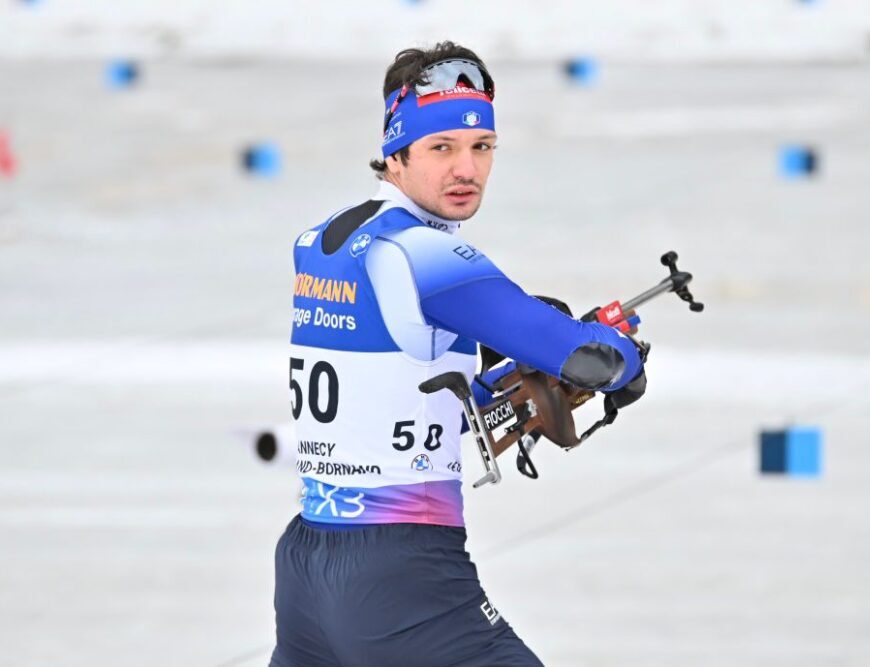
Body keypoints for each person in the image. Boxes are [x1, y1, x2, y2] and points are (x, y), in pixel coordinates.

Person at [271, 41, 646, 667]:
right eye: (441, 148)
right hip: (400, 569)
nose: (465, 168)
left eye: (482, 148)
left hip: (308, 562)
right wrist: (625, 355)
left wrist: (484, 383)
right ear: (396, 154)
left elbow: (391, 374)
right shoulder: (426, 252)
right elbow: (590, 359)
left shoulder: (323, 241)